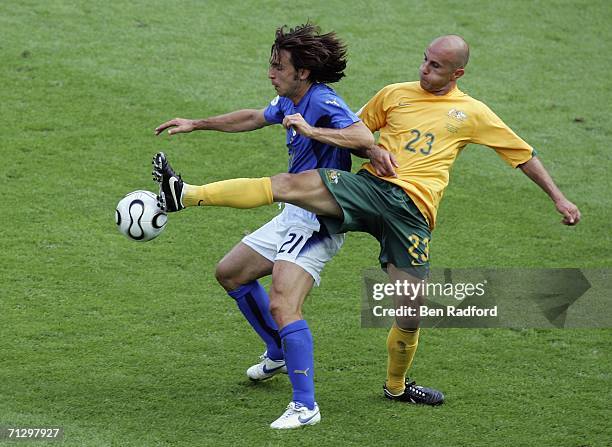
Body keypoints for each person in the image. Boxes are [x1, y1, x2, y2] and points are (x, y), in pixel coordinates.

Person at [153, 34, 580, 414]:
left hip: (412, 211)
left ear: (457, 72)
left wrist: (559, 198)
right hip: (371, 189)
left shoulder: (472, 113)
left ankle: (396, 386)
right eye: (424, 59)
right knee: (282, 197)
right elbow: (356, 134)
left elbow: (521, 153)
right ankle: (187, 195)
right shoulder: (394, 94)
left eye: (435, 65)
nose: (425, 69)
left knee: (410, 310)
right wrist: (371, 152)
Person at [154, 24, 374, 429]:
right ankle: (276, 349)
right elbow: (254, 117)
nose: (271, 73)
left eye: (279, 67)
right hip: (294, 212)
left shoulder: (323, 101)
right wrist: (197, 123)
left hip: (320, 219)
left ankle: (306, 406)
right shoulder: (290, 98)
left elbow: (364, 137)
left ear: (303, 72)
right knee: (231, 274)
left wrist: (313, 130)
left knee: (283, 304)